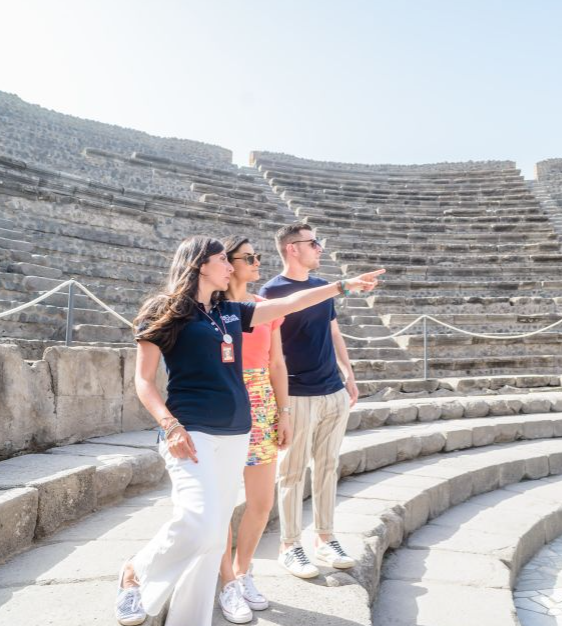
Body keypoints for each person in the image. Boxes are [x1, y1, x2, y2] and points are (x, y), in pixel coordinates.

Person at [113, 235, 383, 626]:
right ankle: (135, 572)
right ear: (200, 264)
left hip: (237, 432)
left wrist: (342, 286)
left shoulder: (230, 312)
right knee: (200, 522)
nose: (230, 266)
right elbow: (143, 380)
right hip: (191, 431)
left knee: (213, 536)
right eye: (223, 260)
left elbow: (290, 303)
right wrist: (169, 425)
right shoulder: (164, 310)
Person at [259, 222, 363, 579]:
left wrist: (348, 373)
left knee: (328, 467)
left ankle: (325, 538)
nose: (320, 248)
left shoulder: (322, 287)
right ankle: (289, 545)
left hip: (332, 390)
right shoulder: (271, 292)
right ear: (292, 248)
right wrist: (280, 404)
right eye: (313, 243)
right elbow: (270, 350)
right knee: (292, 471)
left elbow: (334, 332)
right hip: (297, 393)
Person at [216, 235, 291, 623]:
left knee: (261, 502)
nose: (257, 262)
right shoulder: (210, 309)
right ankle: (226, 580)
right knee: (222, 502)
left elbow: (277, 363)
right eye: (249, 257)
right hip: (224, 398)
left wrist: (284, 412)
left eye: (258, 256)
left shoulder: (265, 308)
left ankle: (243, 571)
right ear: (228, 264)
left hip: (261, 399)